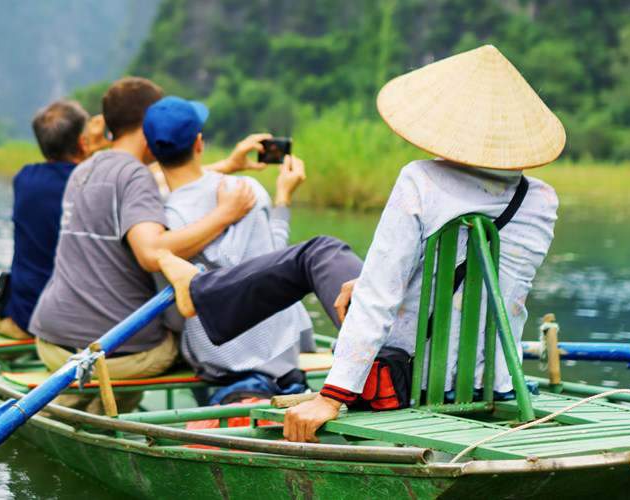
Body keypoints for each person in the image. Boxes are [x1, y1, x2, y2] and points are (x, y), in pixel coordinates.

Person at [155, 45, 564, 443]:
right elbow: (483, 285)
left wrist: (333, 395)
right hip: (491, 382)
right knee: (339, 267)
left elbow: (379, 297)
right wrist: (371, 282)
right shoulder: (542, 200)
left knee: (320, 252)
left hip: (404, 378)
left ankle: (197, 293)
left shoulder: (421, 180)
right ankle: (201, 293)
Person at [27, 77, 256, 414]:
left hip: (50, 340)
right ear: (149, 124)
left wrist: (227, 166)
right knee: (202, 341)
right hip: (114, 354)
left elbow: (153, 181)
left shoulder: (85, 169)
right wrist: (225, 214)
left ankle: (89, 412)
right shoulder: (136, 177)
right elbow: (151, 253)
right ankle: (112, 417)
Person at [141, 96, 318, 405]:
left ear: (150, 150)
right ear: (199, 143)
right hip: (280, 353)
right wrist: (283, 199)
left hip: (217, 359)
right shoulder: (247, 191)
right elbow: (278, 264)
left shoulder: (154, 220)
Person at [0, 100, 98, 340]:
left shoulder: (25, 179)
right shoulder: (96, 185)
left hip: (27, 317)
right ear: (82, 142)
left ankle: (15, 331)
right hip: (81, 318)